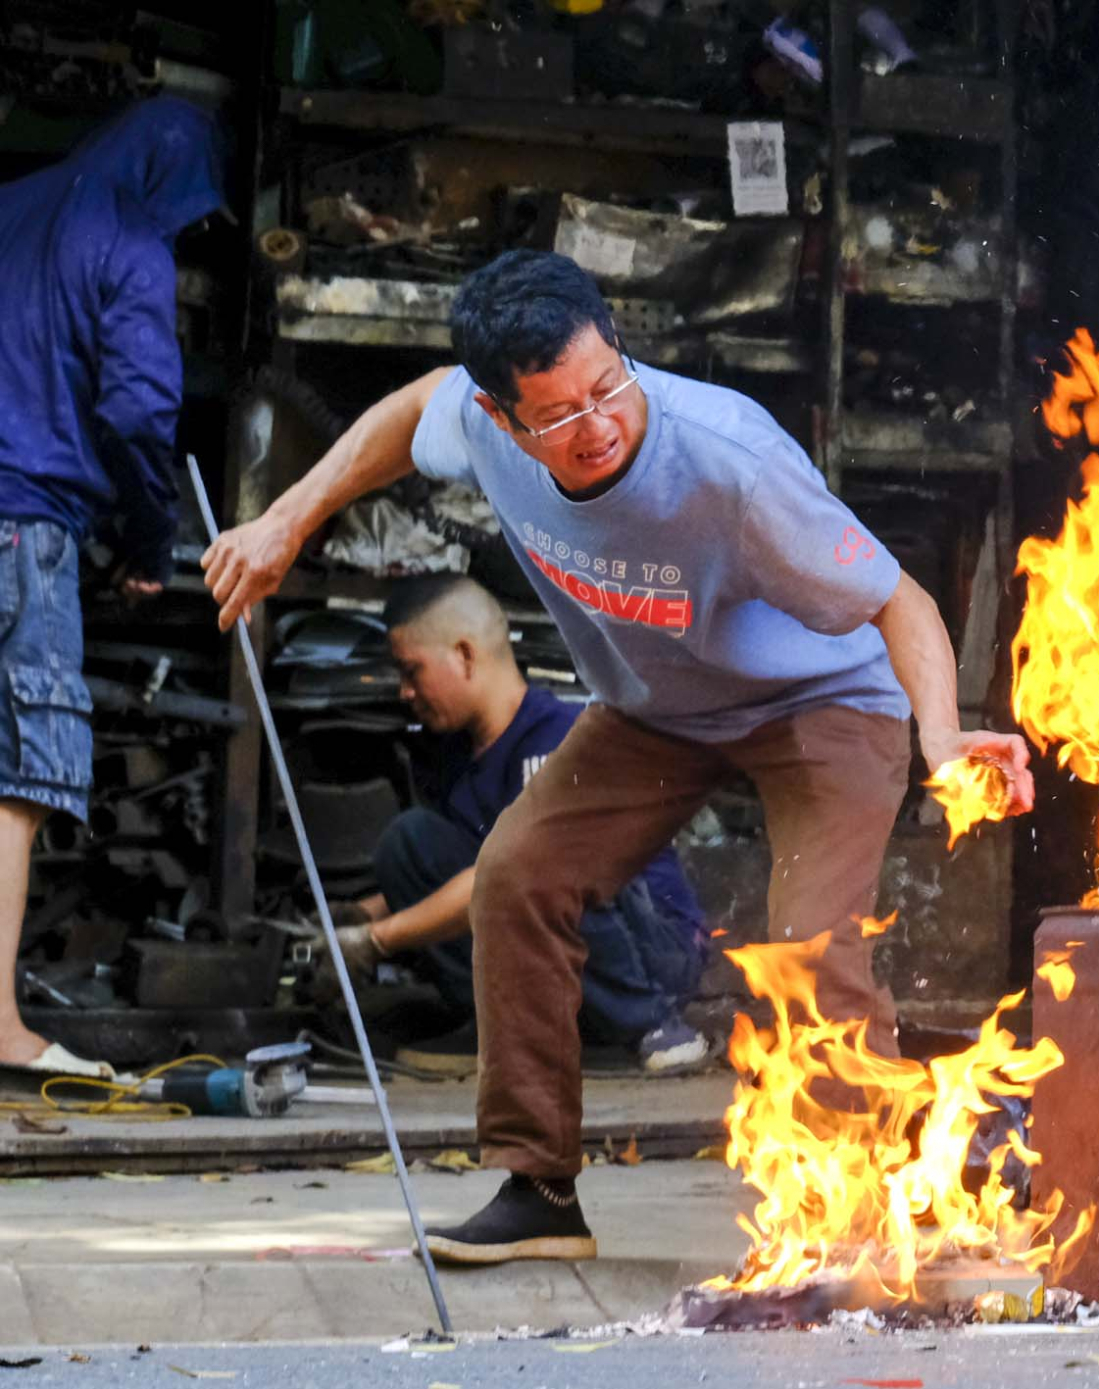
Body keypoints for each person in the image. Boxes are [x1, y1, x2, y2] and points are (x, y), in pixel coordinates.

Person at [201, 249, 1033, 1265]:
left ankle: (863, 1214)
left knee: (812, 940)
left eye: (608, 388)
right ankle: (538, 1190)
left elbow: (901, 602)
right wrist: (286, 518)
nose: (596, 425)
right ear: (501, 418)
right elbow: (411, 406)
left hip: (820, 699)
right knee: (515, 876)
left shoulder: (728, 461)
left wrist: (941, 740)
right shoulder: (478, 423)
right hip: (659, 706)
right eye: (556, 415)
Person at [0, 98, 227, 1080]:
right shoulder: (130, 242)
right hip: (19, 525)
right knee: (13, 785)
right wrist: (151, 536)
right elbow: (138, 408)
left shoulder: (12, 205)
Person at [335, 575, 709, 1076]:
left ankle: (652, 1025)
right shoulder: (457, 758)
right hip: (563, 932)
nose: (405, 692)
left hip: (655, 951)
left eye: (412, 671)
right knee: (410, 844)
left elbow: (515, 871)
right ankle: (501, 1025)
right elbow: (467, 872)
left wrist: (377, 940)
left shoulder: (563, 740)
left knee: (549, 856)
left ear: (465, 655)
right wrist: (353, 919)